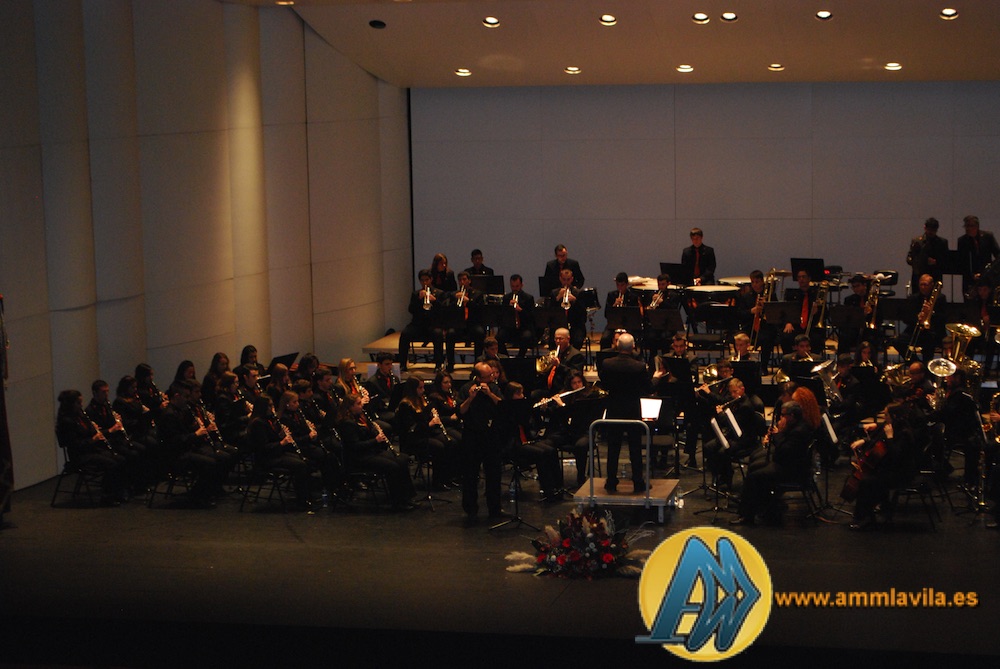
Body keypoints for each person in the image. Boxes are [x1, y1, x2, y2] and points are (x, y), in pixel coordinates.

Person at [731, 401, 814, 525]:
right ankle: (761, 506)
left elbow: (784, 451)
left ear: (791, 416)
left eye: (783, 415)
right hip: (788, 464)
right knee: (754, 466)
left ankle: (747, 515)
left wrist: (778, 434)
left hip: (792, 471)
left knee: (754, 476)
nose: (781, 417)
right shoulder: (797, 425)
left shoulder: (799, 431)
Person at [845, 402, 923, 531]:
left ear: (894, 416)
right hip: (890, 469)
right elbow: (879, 440)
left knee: (866, 481)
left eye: (886, 415)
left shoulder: (904, 433)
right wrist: (865, 440)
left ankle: (864, 517)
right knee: (868, 476)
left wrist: (890, 437)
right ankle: (875, 509)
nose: (884, 417)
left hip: (902, 474)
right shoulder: (892, 426)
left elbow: (896, 456)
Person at [337, 393, 417, 510]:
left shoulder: (360, 417)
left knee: (402, 459)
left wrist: (376, 431)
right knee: (393, 466)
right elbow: (355, 446)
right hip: (359, 458)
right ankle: (398, 501)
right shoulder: (347, 423)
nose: (361, 405)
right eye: (358, 404)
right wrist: (376, 440)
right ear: (350, 407)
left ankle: (407, 497)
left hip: (369, 452)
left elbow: (368, 434)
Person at [598, 333, 652, 493]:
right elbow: (648, 388)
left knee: (613, 448)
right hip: (632, 411)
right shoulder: (639, 367)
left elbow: (604, 385)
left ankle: (611, 481)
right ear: (633, 346)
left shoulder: (607, 364)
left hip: (614, 409)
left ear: (617, 346)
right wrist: (656, 378)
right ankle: (638, 482)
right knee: (635, 448)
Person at [55, 389, 127, 505]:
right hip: (79, 455)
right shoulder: (66, 422)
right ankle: (106, 497)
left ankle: (116, 492)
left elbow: (89, 431)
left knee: (120, 458)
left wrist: (94, 428)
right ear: (70, 404)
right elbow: (75, 444)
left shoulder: (80, 415)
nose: (81, 405)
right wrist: (93, 439)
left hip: (90, 450)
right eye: (78, 403)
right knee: (112, 463)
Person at [247, 396, 317, 511]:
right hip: (266, 459)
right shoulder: (258, 423)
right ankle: (302, 500)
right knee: (300, 465)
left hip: (275, 454)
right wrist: (282, 442)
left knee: (304, 460)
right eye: (270, 406)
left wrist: (281, 435)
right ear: (263, 407)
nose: (272, 408)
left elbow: (272, 439)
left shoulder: (269, 420)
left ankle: (306, 496)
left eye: (272, 405)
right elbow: (263, 448)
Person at [500, 382, 563, 503]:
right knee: (542, 453)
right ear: (511, 395)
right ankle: (548, 491)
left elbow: (536, 425)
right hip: (514, 445)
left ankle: (558, 487)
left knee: (551, 450)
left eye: (522, 393)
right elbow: (507, 430)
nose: (522, 396)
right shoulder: (505, 409)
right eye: (519, 394)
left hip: (527, 440)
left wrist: (541, 409)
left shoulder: (524, 407)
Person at [458, 361, 505, 521]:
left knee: (494, 474)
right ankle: (470, 509)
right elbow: (461, 411)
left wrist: (490, 394)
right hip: (472, 436)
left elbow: (502, 406)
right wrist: (470, 398)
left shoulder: (494, 387)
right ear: (478, 378)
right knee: (470, 474)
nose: (491, 378)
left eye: (491, 375)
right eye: (487, 376)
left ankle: (495, 508)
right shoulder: (466, 389)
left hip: (491, 436)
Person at [394, 376, 460, 489]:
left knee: (451, 442)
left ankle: (448, 477)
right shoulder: (406, 404)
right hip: (413, 439)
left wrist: (432, 415)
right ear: (413, 389)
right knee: (439, 446)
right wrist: (430, 423)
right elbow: (411, 428)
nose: (423, 390)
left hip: (425, 432)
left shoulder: (422, 400)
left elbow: (425, 418)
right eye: (420, 388)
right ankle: (437, 481)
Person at [703, 378, 766, 489]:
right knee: (708, 447)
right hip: (733, 435)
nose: (732, 395)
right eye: (731, 392)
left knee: (722, 452)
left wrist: (721, 414)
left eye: (735, 392)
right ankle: (718, 474)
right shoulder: (735, 401)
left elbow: (733, 424)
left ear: (742, 389)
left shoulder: (746, 406)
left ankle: (727, 477)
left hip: (744, 439)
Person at [653, 333, 700, 467]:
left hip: (686, 396)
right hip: (671, 396)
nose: (679, 349)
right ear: (673, 346)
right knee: (663, 421)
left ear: (685, 346)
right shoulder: (666, 358)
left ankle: (691, 456)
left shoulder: (692, 358)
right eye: (676, 346)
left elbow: (693, 377)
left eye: (681, 346)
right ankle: (662, 455)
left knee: (693, 423)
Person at [398, 269, 446, 372]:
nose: (425, 283)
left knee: (438, 334)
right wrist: (418, 299)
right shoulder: (416, 294)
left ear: (431, 279)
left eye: (427, 280)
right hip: (418, 324)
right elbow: (411, 310)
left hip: (433, 324)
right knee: (405, 334)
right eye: (422, 280)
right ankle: (402, 364)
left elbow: (443, 311)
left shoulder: (439, 293)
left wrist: (434, 301)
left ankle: (438, 364)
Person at [898, 273, 947, 362]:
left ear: (932, 285)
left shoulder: (940, 298)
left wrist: (930, 313)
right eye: (921, 285)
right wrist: (918, 317)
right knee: (898, 341)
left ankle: (926, 366)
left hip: (933, 331)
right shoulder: (913, 298)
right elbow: (906, 318)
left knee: (929, 342)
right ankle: (916, 363)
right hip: (915, 330)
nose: (923, 287)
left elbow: (943, 318)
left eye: (926, 285)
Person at [737, 270, 776, 373]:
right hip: (750, 327)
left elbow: (776, 314)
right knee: (739, 338)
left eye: (757, 282)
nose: (755, 285)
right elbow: (740, 314)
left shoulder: (771, 296)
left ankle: (763, 367)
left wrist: (767, 306)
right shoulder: (746, 297)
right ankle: (744, 365)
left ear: (762, 282)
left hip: (765, 328)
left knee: (767, 339)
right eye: (753, 282)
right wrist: (751, 311)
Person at [445, 270, 486, 368]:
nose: (462, 282)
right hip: (459, 324)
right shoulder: (454, 294)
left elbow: (480, 310)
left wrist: (469, 301)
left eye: (464, 279)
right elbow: (448, 310)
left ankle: (477, 363)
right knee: (450, 333)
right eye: (460, 280)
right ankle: (450, 364)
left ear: (469, 281)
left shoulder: (477, 294)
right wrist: (455, 300)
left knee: (480, 333)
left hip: (472, 324)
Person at [781, 269, 825, 354]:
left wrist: (817, 311)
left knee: (817, 339)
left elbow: (825, 314)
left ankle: (813, 360)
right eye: (799, 277)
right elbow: (786, 312)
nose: (801, 279)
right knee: (785, 337)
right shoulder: (792, 295)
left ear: (809, 278)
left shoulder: (817, 294)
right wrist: (788, 323)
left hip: (812, 327)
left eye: (804, 277)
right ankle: (789, 359)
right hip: (796, 326)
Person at [534, 327, 585, 399]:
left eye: (561, 339)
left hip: (563, 389)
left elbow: (575, 374)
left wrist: (558, 365)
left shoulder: (576, 355)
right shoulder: (556, 353)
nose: (558, 341)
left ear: (568, 339)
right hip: (550, 388)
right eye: (556, 339)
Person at [956, 215, 999, 298]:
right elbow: (961, 262)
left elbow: (998, 255)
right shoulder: (962, 241)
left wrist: (991, 272)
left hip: (987, 278)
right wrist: (972, 275)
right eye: (966, 226)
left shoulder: (988, 237)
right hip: (970, 280)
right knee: (970, 303)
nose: (968, 229)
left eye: (970, 226)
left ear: (977, 226)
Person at [600, 272, 643, 349]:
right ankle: (606, 355)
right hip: (614, 324)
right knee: (605, 338)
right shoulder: (611, 295)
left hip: (629, 325)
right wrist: (614, 305)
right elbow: (606, 314)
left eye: (622, 285)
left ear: (627, 284)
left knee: (628, 339)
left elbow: (636, 316)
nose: (620, 288)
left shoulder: (633, 297)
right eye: (618, 285)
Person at [496, 274, 536, 358]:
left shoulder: (528, 298)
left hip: (524, 328)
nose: (515, 289)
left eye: (517, 286)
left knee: (526, 337)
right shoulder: (506, 298)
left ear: (521, 285)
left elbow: (532, 317)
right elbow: (502, 315)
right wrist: (508, 308)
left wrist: (520, 310)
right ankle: (506, 358)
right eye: (512, 286)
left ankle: (520, 358)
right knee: (498, 337)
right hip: (510, 328)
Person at [906, 217, 948, 293]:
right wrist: (920, 261)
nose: (931, 232)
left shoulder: (942, 243)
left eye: (933, 230)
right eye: (929, 229)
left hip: (934, 275)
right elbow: (909, 258)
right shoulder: (917, 241)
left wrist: (936, 262)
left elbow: (946, 261)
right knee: (917, 298)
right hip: (919, 275)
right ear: (925, 228)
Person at [550, 268, 587, 350]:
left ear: (572, 279)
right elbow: (550, 311)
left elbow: (583, 314)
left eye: (568, 279)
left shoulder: (578, 293)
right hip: (559, 325)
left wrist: (575, 301)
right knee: (552, 341)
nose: (566, 282)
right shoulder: (554, 293)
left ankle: (573, 355)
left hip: (575, 325)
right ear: (560, 279)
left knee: (578, 340)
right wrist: (558, 298)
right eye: (564, 279)